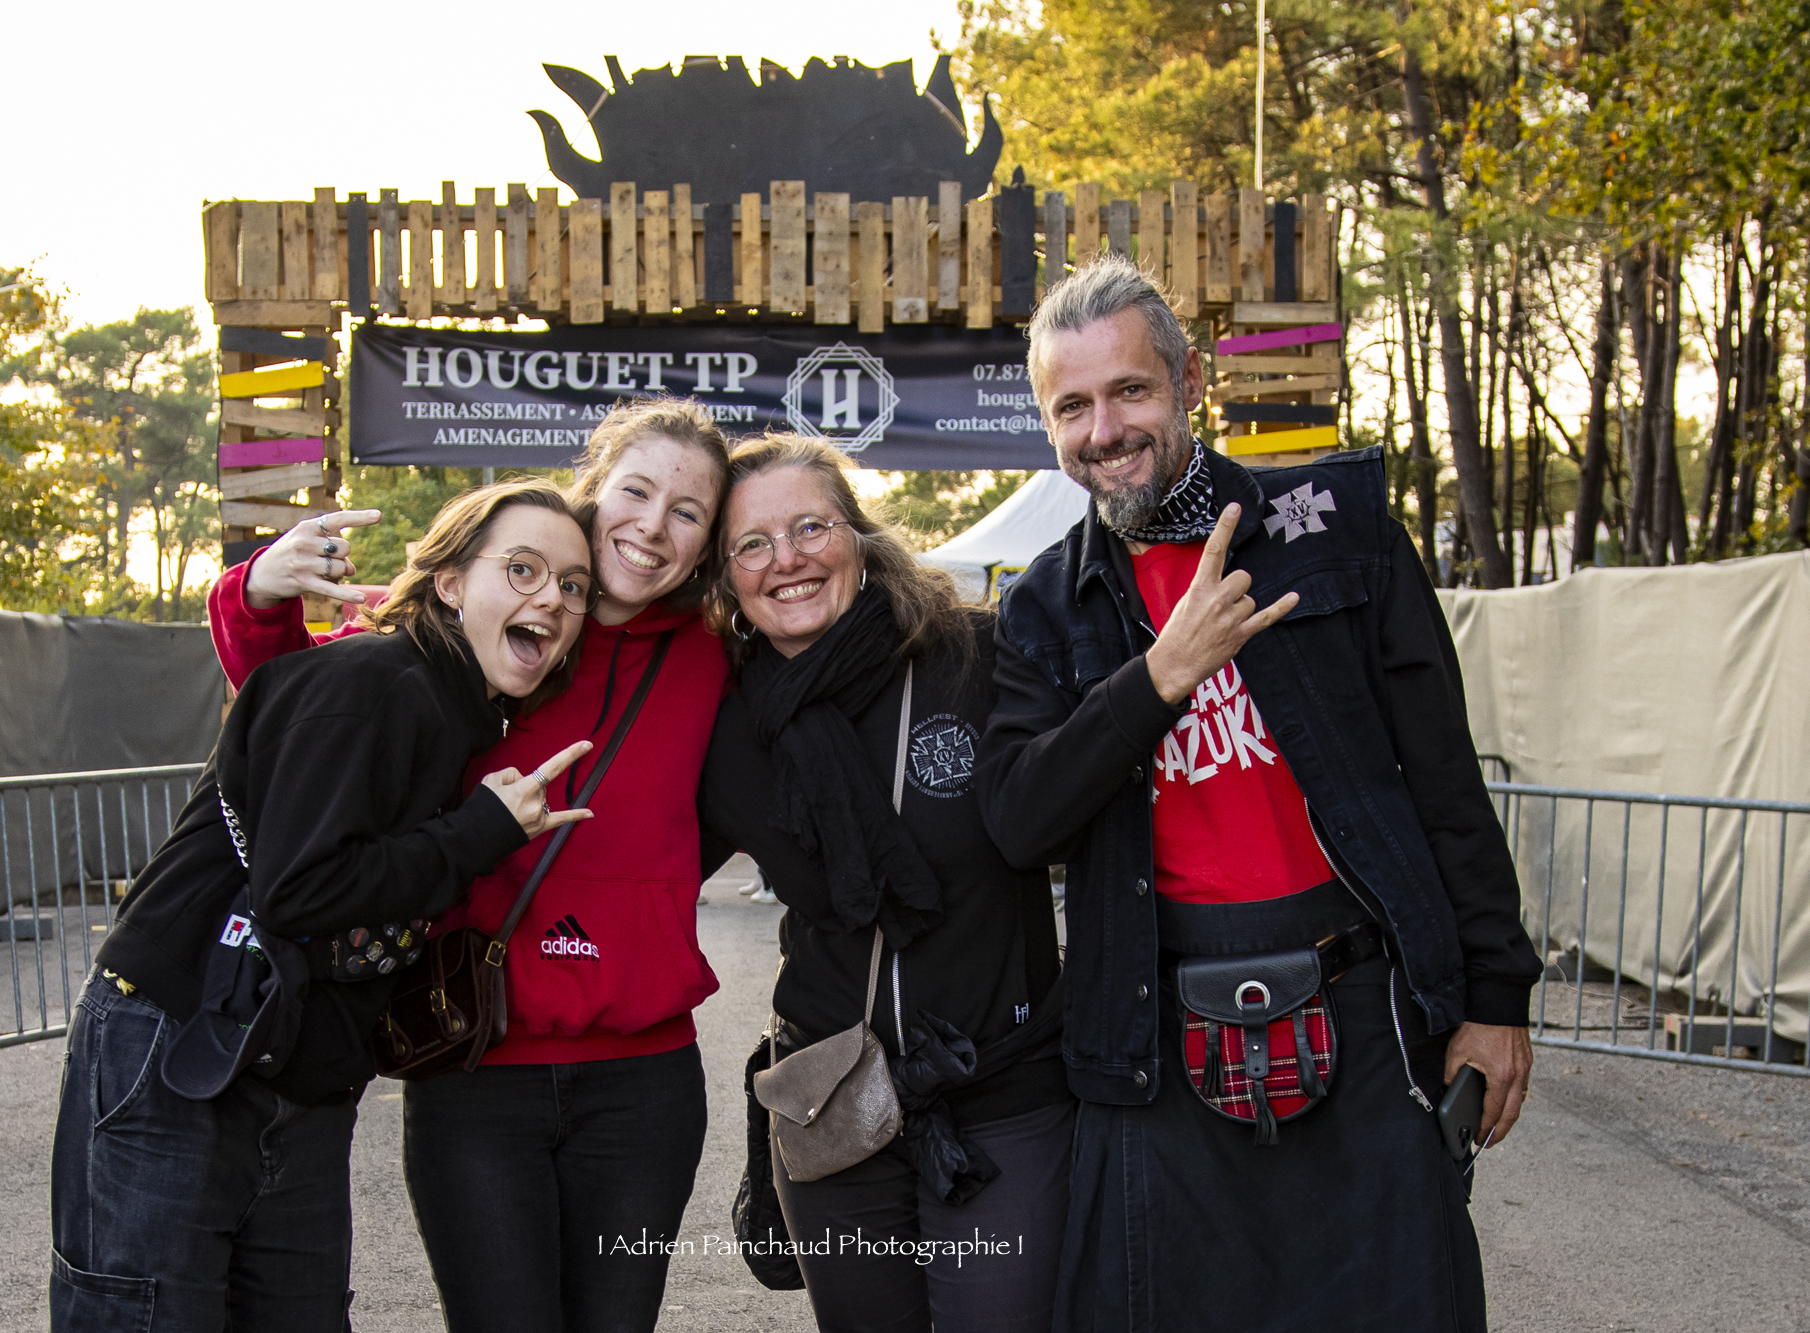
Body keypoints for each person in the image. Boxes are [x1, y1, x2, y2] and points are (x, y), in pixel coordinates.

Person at [975, 254, 1543, 1332]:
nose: (1104, 429)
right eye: (1072, 406)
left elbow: (1443, 785)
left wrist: (1494, 997)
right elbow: (1015, 819)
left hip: (1363, 1005)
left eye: (1129, 391)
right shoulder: (1042, 605)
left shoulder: (1335, 531)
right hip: (1151, 1023)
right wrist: (1153, 680)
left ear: (1189, 384)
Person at [206, 399, 732, 1332]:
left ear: (705, 545)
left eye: (686, 512)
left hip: (643, 1085)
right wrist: (251, 594)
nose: (652, 526)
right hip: (475, 1063)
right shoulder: (488, 635)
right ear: (594, 491)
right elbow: (310, 702)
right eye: (636, 491)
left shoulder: (716, 656)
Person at [50, 479, 598, 1331]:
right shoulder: (378, 681)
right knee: (147, 1313)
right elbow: (300, 887)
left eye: (572, 586)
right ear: (451, 582)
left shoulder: (463, 711)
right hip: (180, 1042)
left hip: (294, 1069)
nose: (552, 600)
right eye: (523, 568)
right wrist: (480, 832)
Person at [698, 435, 1073, 1333]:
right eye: (751, 544)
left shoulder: (976, 655)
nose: (785, 559)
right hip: (834, 1101)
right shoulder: (730, 717)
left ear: (859, 540)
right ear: (725, 576)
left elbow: (1092, 799)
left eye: (810, 526)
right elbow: (634, 858)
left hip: (1000, 1096)